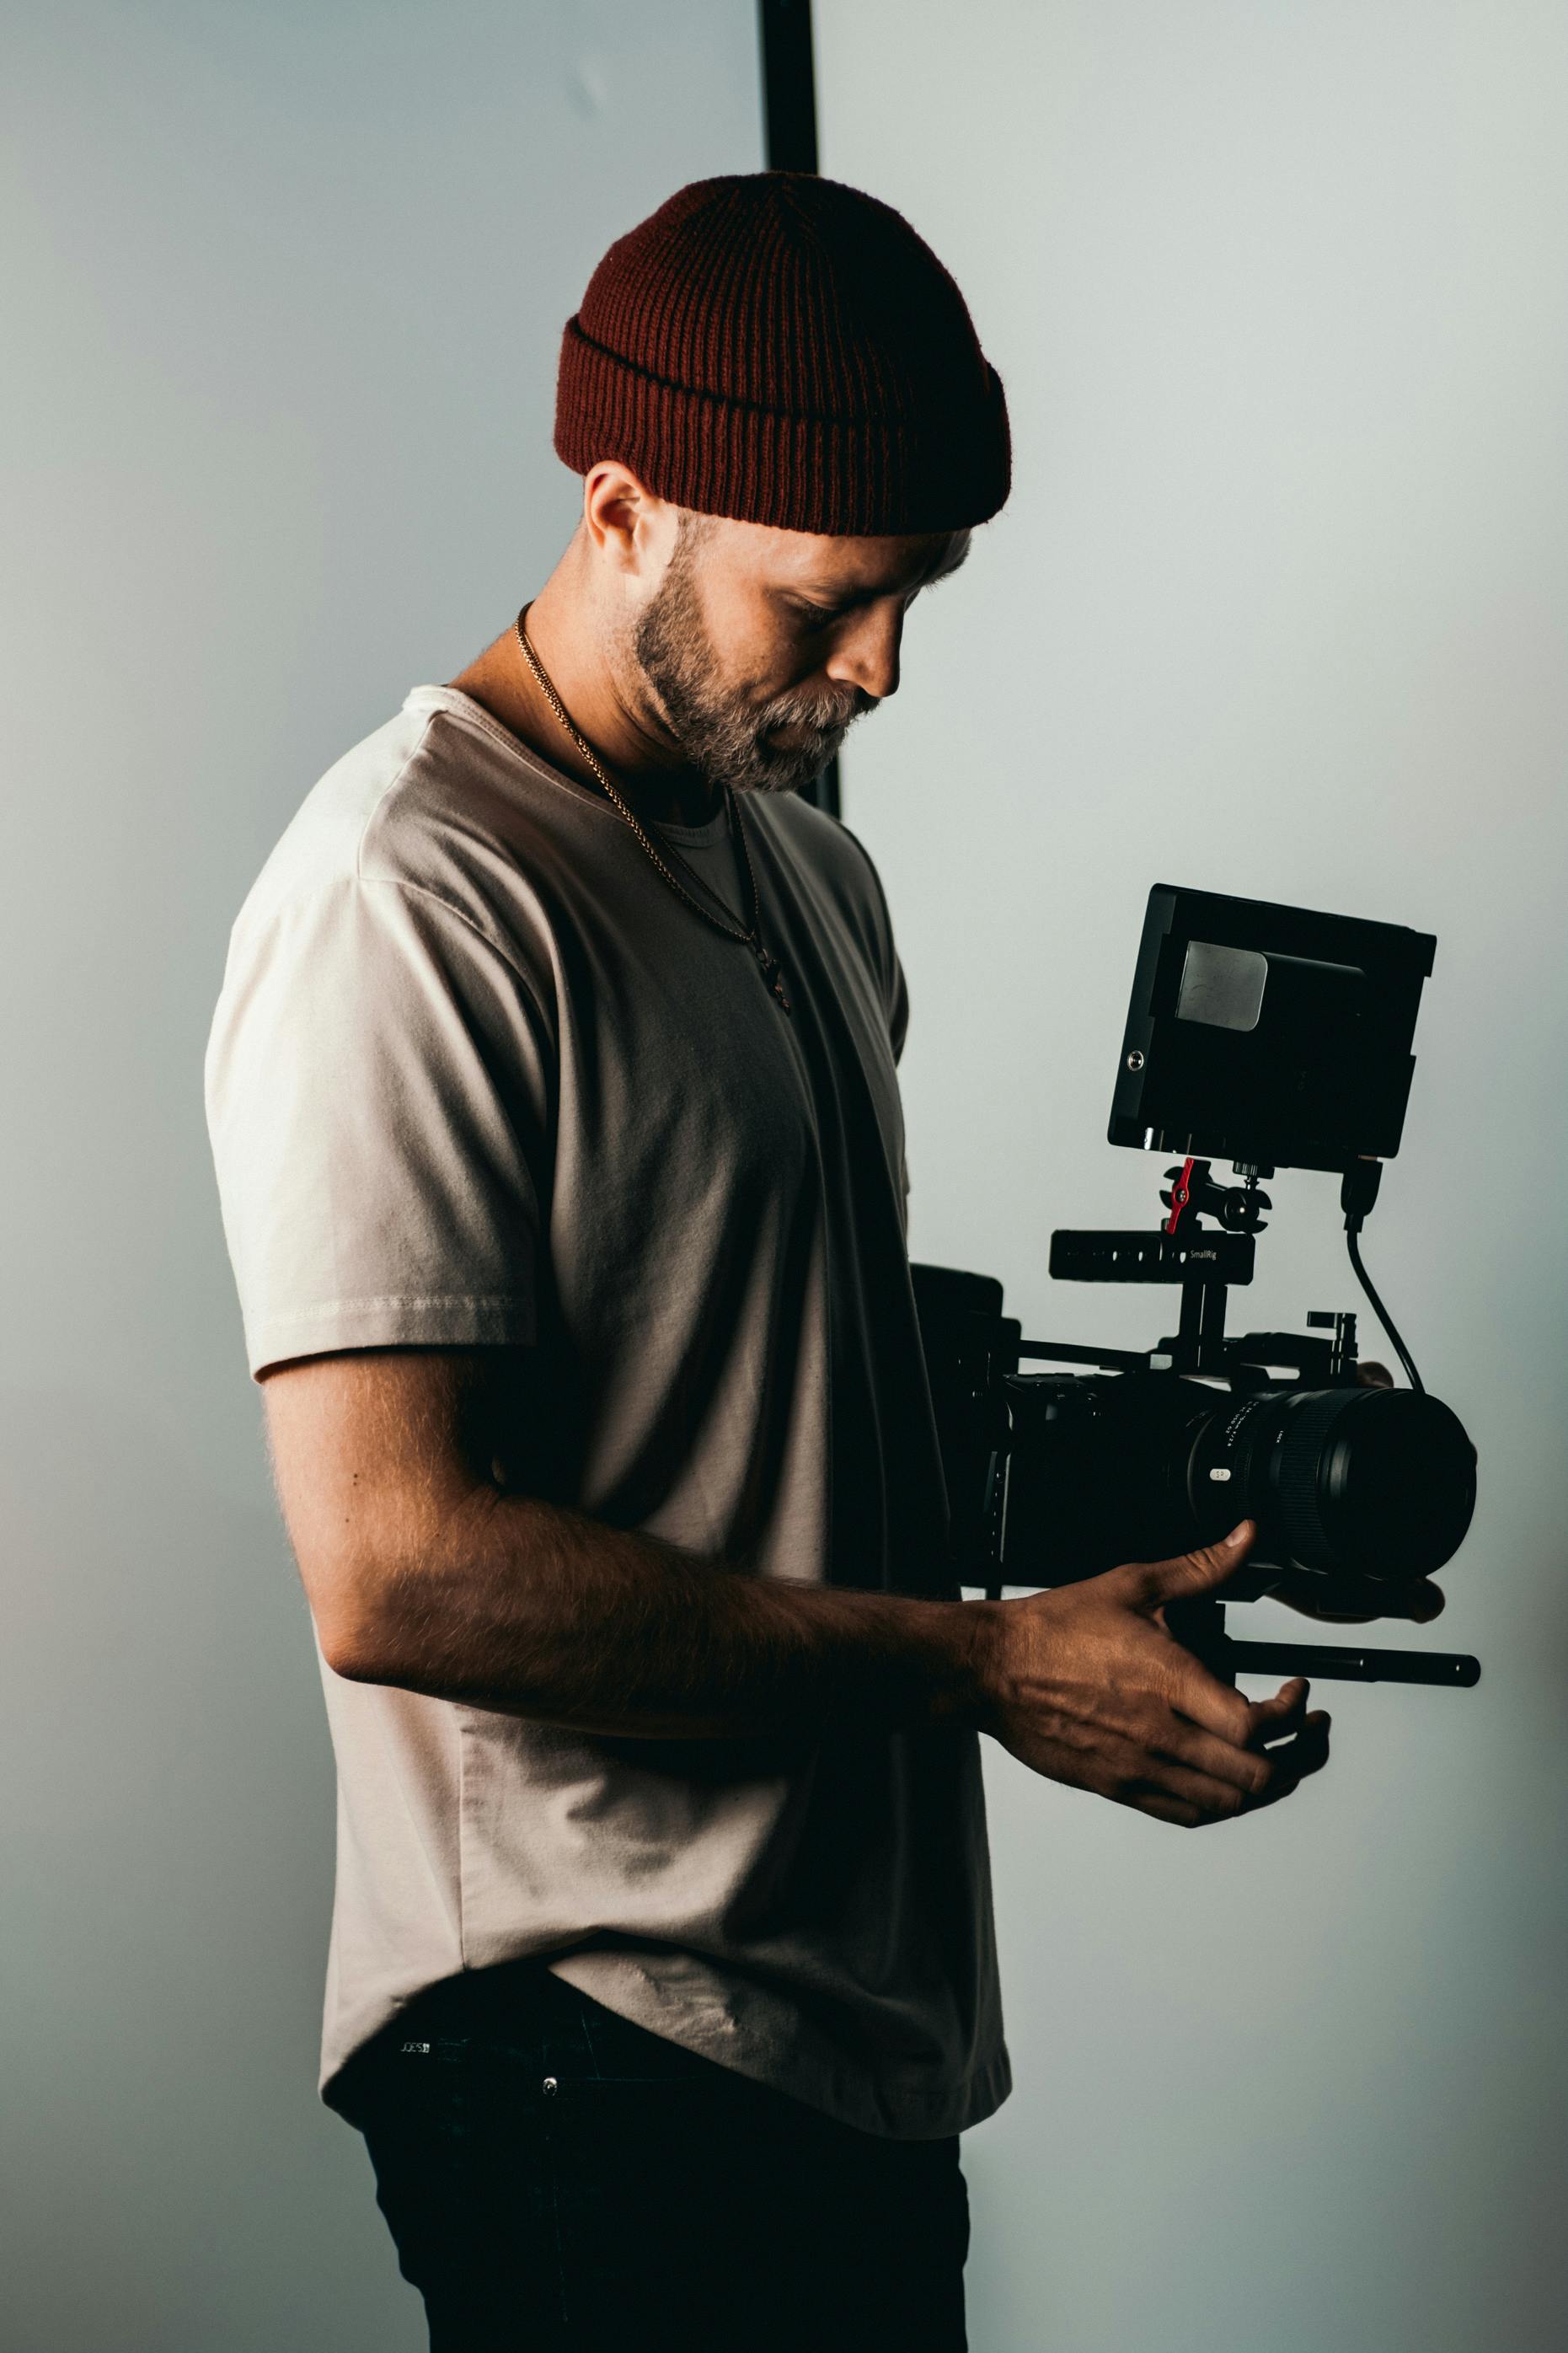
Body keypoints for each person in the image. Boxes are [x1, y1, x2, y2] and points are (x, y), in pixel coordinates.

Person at [205, 173, 1345, 2352]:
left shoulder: (816, 883)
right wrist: (989, 1669)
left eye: (922, 599)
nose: (882, 668)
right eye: (822, 605)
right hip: (585, 2060)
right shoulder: (412, 896)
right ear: (623, 509)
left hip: (856, 2057)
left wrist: (1119, 1543)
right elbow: (395, 1567)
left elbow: (766, 1424)